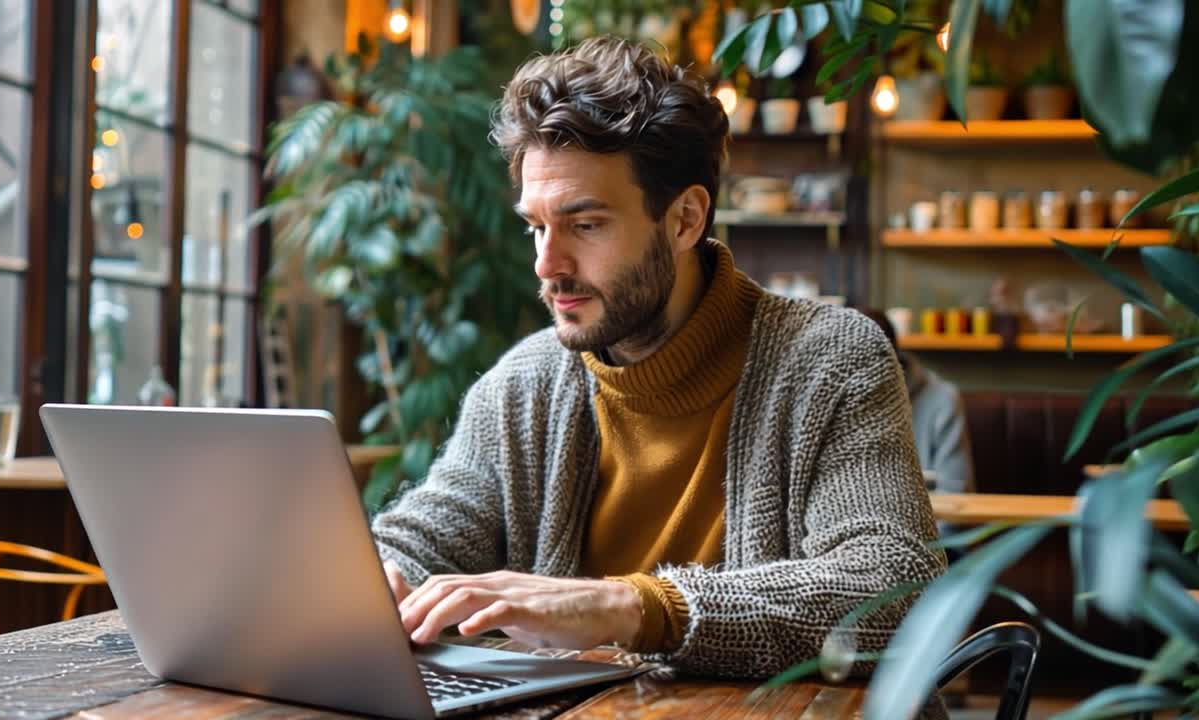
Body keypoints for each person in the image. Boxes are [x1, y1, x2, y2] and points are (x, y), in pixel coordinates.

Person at [371, 37, 945, 681]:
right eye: (535, 225)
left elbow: (895, 590)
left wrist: (635, 606)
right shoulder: (523, 387)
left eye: (585, 225)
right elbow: (426, 536)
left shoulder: (829, 361)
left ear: (684, 220)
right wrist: (364, 580)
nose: (546, 264)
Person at [857, 308, 976, 502]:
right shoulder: (826, 403)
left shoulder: (942, 400)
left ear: (892, 361)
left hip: (928, 530)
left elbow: (955, 494)